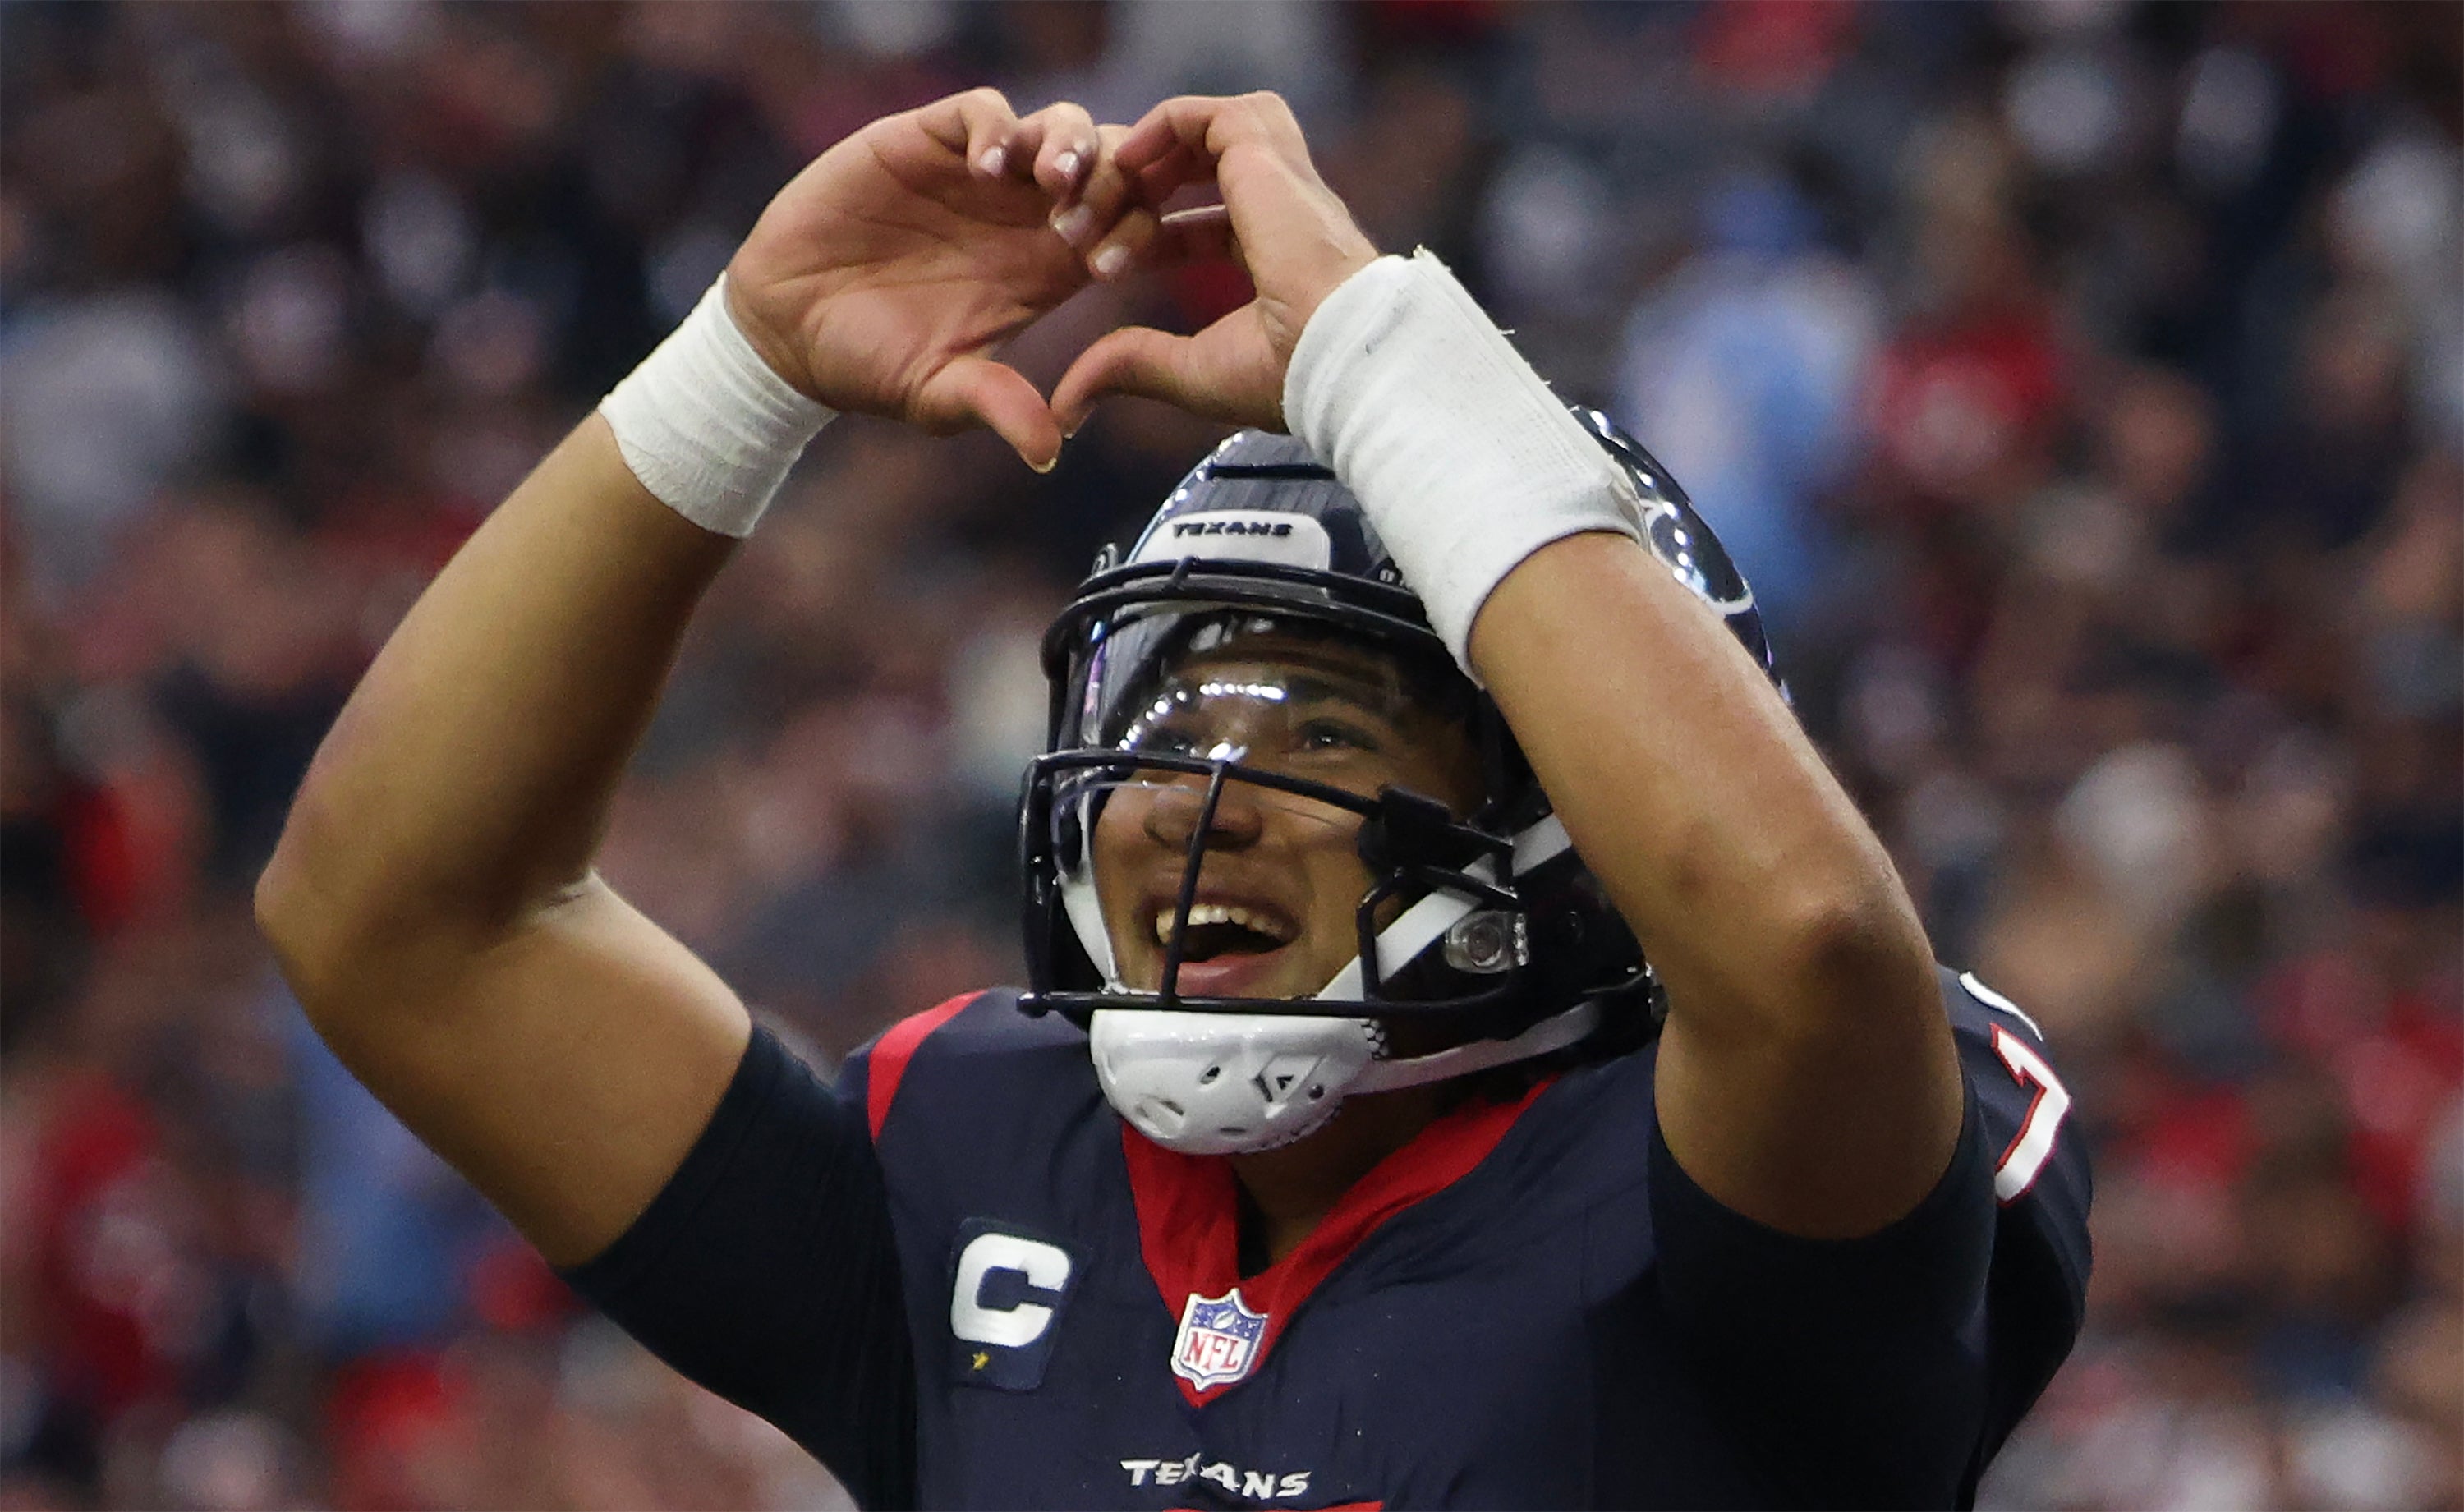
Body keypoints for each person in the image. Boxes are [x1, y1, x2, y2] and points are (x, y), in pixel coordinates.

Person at [257, 89, 2089, 1509]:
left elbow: (1805, 942)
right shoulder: (981, 1163)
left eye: (1314, 730)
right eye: (1167, 720)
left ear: (1582, 818)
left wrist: (1378, 352)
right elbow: (402, 923)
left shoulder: (1730, 1173)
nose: (1187, 799)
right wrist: (741, 371)